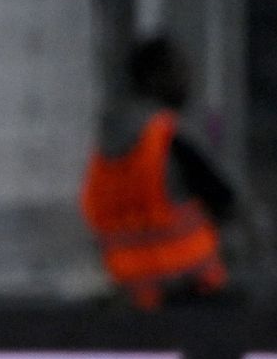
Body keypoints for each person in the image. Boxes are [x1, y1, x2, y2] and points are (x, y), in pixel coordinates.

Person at [81, 38, 236, 309]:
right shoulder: (169, 137)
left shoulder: (102, 151)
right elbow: (227, 201)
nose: (186, 81)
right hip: (193, 293)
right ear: (155, 78)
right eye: (178, 71)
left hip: (132, 299)